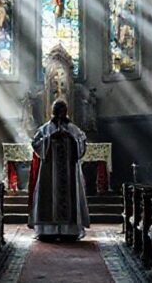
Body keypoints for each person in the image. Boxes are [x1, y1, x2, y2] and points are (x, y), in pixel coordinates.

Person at [27, 99, 90, 241]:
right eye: (58, 110)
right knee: (49, 197)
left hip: (69, 172)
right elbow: (35, 143)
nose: (60, 113)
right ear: (53, 111)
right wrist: (50, 138)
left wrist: (71, 139)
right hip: (49, 171)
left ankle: (70, 231)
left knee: (69, 197)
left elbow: (82, 142)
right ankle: (48, 231)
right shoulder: (45, 129)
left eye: (62, 110)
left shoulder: (73, 129)